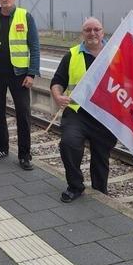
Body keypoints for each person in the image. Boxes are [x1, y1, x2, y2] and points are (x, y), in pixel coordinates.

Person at [50, 17, 117, 202]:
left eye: (96, 29)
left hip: (105, 115)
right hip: (77, 113)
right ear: (83, 33)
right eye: (88, 30)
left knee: (101, 156)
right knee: (68, 144)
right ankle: (75, 186)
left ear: (103, 32)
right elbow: (57, 82)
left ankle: (100, 191)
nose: (92, 33)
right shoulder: (72, 55)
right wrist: (57, 96)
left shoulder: (116, 55)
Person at [0, 0, 40, 170]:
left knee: (23, 114)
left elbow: (35, 47)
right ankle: (1, 148)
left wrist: (31, 73)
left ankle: (24, 155)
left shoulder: (25, 16)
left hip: (19, 74)